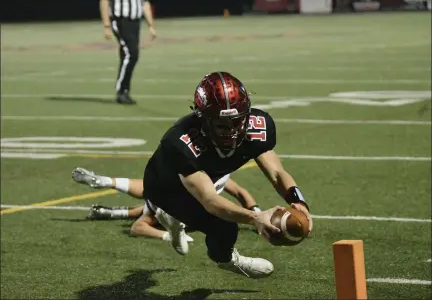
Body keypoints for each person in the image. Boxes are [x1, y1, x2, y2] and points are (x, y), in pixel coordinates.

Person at [142, 71, 313, 278]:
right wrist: (254, 217)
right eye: (221, 124)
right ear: (202, 118)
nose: (231, 130)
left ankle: (175, 221)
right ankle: (227, 259)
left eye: (237, 121)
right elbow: (210, 200)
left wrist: (298, 201)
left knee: (217, 210)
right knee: (223, 226)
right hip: (165, 187)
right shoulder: (182, 142)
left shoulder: (258, 126)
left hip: (208, 174)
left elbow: (277, 172)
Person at [71, 168, 262, 241]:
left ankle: (110, 188)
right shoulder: (216, 178)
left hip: (170, 192)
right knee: (150, 207)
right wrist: (168, 236)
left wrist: (255, 214)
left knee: (148, 195)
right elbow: (137, 228)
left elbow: (239, 192)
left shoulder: (212, 173)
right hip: (173, 204)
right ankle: (112, 206)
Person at [99, 0, 156, 105]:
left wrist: (150, 25)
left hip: (135, 22)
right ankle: (121, 90)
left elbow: (144, 2)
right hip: (120, 21)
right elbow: (104, 0)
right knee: (132, 54)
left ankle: (125, 91)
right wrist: (106, 25)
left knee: (127, 55)